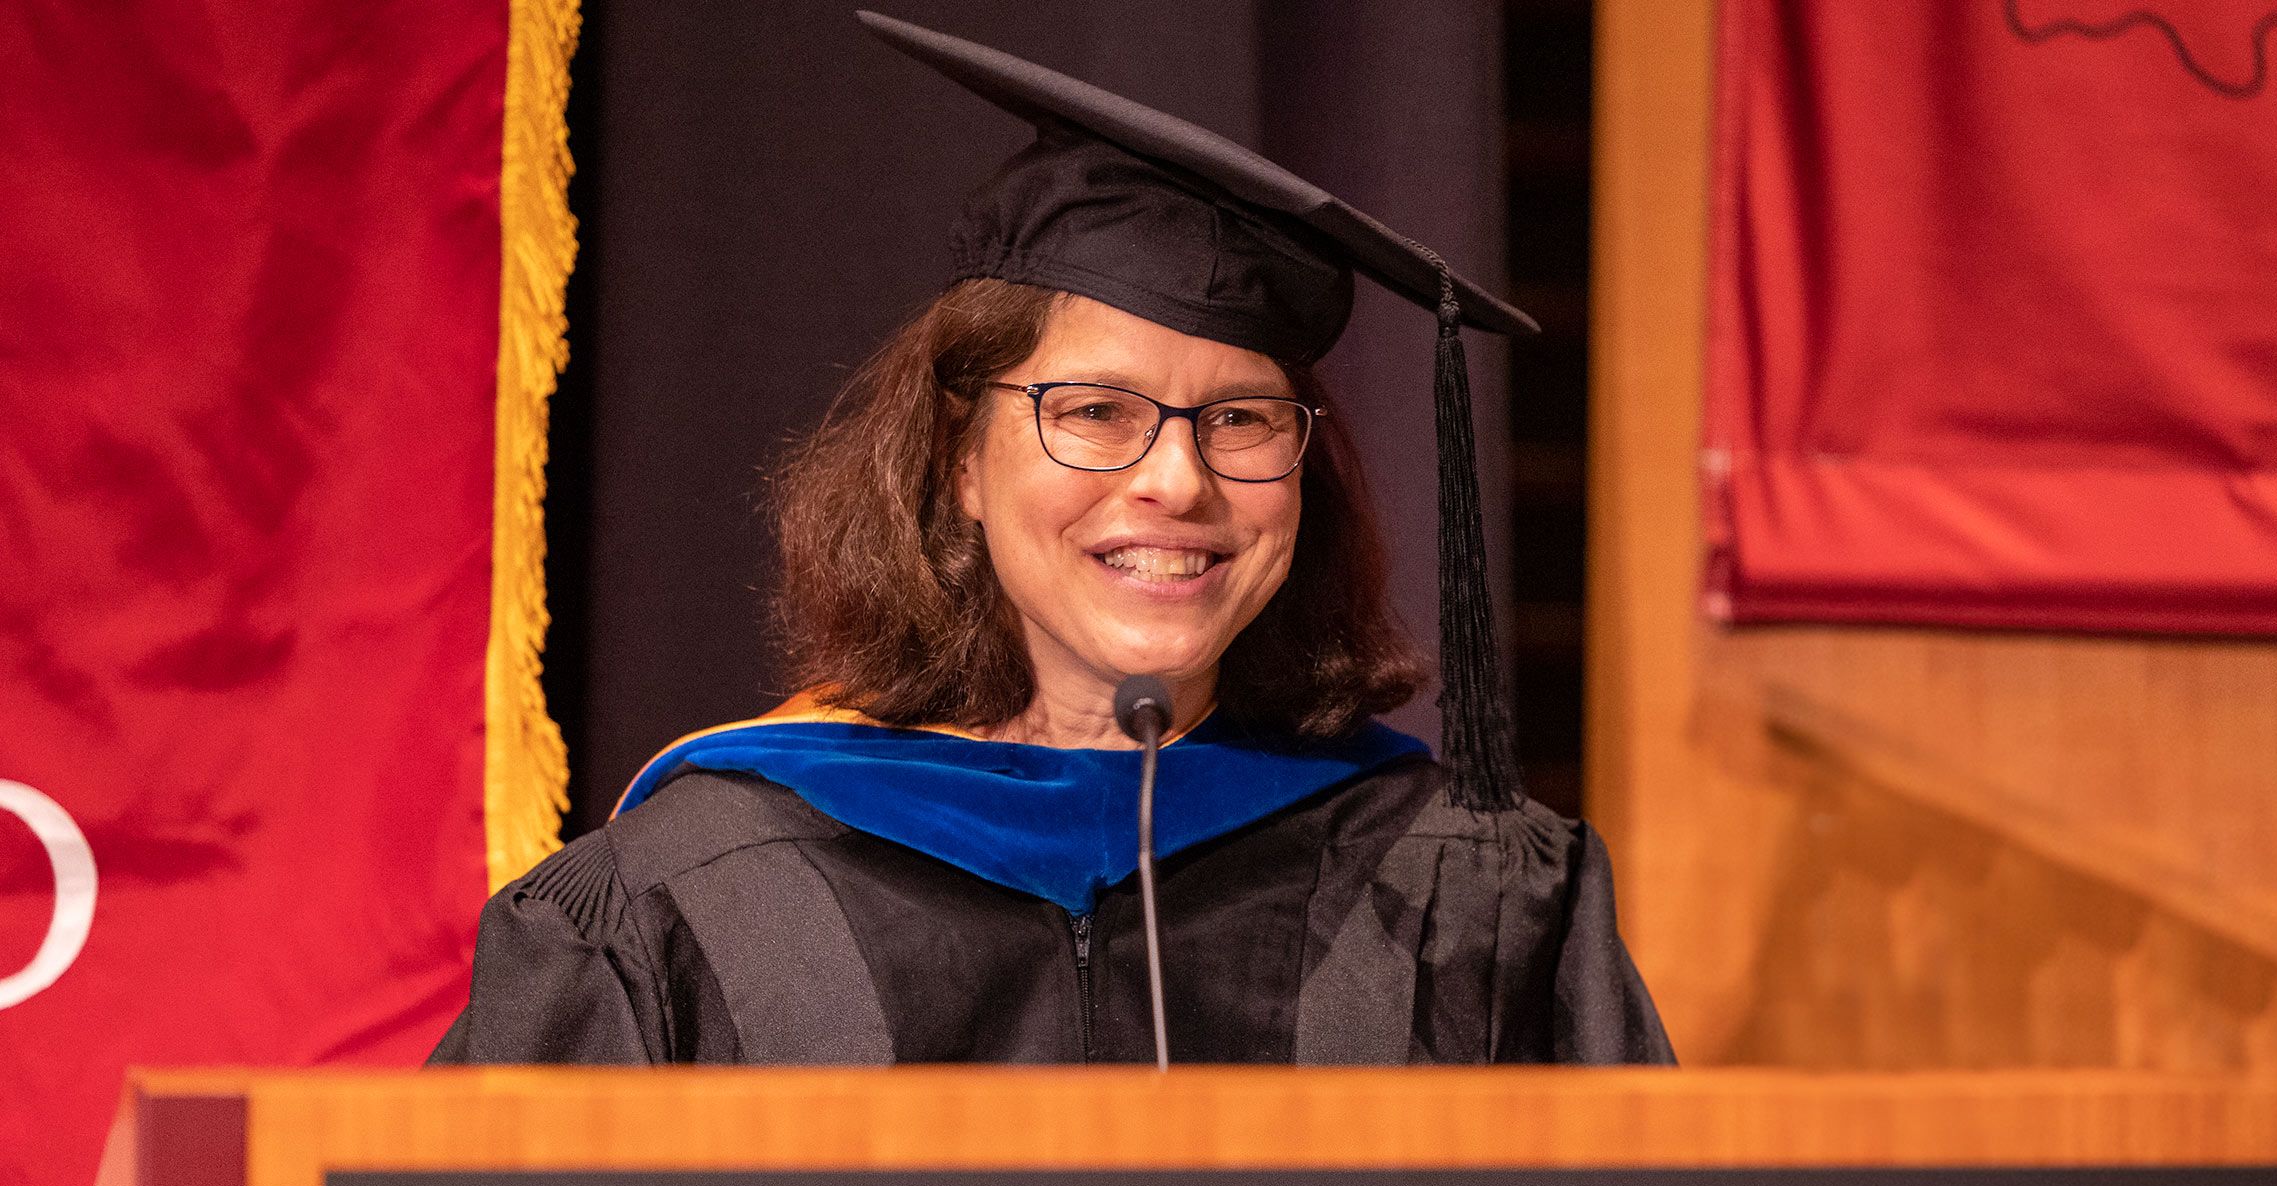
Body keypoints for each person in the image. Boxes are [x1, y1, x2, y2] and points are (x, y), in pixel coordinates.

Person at [429, 13, 1672, 1066]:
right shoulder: (691, 892)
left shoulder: (1468, 894)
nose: (1175, 481)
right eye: (1093, 413)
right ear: (960, 459)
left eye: (1238, 419)